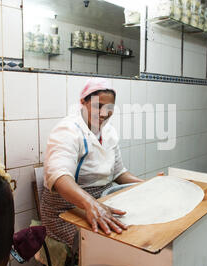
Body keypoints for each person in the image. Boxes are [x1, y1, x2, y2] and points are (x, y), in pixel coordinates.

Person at [41, 78, 146, 255]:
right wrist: (90, 204)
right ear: (83, 102)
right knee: (111, 244)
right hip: (66, 208)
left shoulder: (109, 131)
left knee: (137, 231)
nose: (104, 113)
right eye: (99, 106)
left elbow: (119, 173)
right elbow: (59, 178)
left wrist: (148, 186)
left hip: (103, 202)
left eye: (109, 108)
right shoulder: (68, 130)